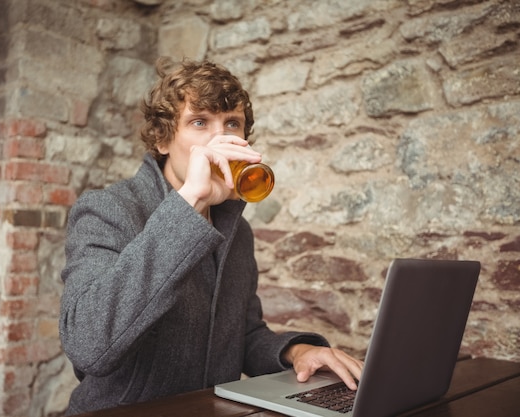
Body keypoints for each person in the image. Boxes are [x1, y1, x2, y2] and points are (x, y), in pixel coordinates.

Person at [59, 58, 363, 415]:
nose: (220, 139)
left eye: (232, 124)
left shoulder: (238, 231)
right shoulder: (107, 209)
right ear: (162, 139)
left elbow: (243, 335)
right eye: (199, 122)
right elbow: (88, 345)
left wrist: (297, 352)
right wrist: (190, 204)